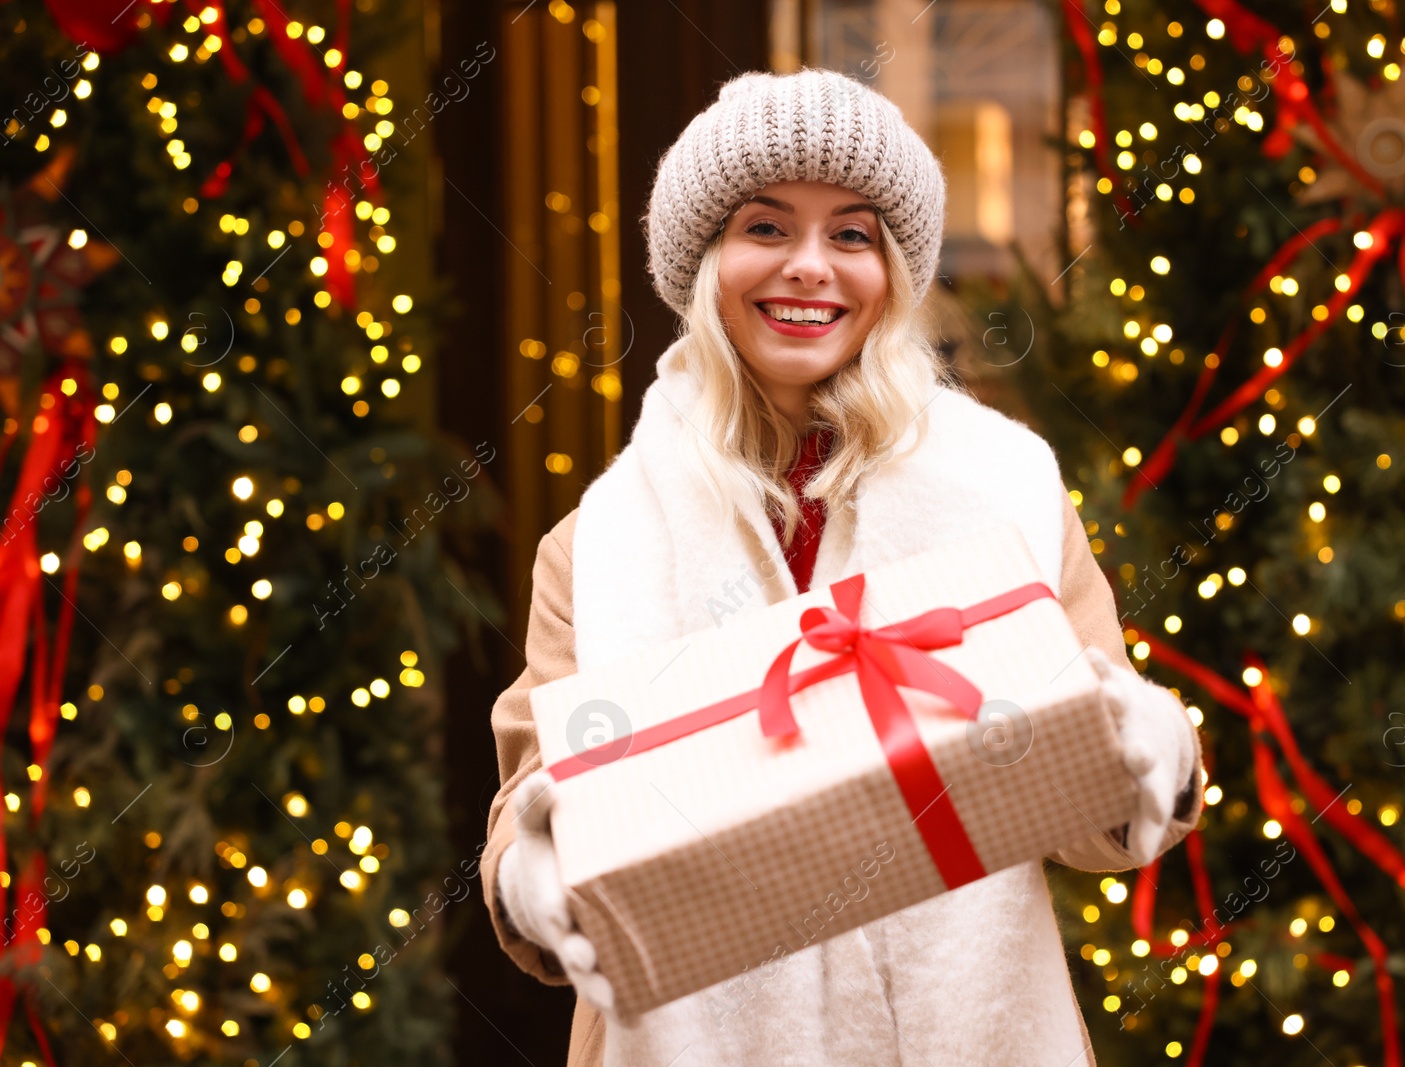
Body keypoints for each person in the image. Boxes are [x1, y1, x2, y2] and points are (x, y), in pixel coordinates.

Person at [481, 67, 1204, 1067]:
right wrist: (534, 867)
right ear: (702, 261)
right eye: (765, 228)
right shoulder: (599, 540)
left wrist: (1140, 748)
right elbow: (532, 795)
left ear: (893, 271)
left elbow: (1087, 815)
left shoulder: (1006, 488)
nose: (810, 267)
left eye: (852, 234)